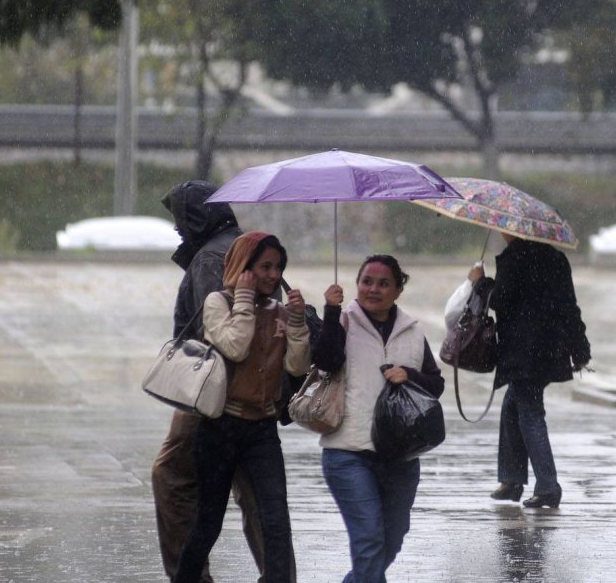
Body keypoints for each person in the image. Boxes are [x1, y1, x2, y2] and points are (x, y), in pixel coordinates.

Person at [174, 232, 311, 583]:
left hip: (262, 430)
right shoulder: (218, 303)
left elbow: (296, 368)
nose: (273, 275)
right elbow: (235, 347)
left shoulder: (279, 311)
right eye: (264, 266)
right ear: (242, 266)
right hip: (220, 426)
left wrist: (296, 322)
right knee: (209, 522)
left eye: (278, 267)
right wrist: (245, 299)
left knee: (276, 520)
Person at [152, 180, 271, 582]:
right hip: (256, 389)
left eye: (181, 218)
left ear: (198, 217)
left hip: (213, 393)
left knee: (171, 476)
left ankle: (188, 576)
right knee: (256, 493)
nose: (177, 229)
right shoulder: (245, 247)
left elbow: (213, 336)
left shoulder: (209, 259)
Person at [312, 255, 444, 583]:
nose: (374, 289)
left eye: (384, 283)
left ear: (398, 289)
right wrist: (329, 311)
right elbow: (325, 361)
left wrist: (410, 375)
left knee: (392, 539)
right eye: (367, 282)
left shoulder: (412, 330)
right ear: (356, 285)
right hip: (347, 452)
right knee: (369, 539)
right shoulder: (343, 322)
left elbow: (436, 384)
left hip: (401, 457)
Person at [469, 233, 591, 509]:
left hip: (523, 352)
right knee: (513, 404)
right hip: (550, 351)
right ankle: (511, 480)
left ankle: (548, 486)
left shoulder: (515, 258)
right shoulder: (556, 258)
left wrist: (480, 283)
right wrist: (580, 348)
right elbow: (570, 307)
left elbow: (501, 300)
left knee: (530, 413)